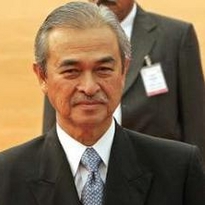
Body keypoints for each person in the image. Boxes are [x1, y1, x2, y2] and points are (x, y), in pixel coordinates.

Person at [0, 2, 205, 205]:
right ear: (42, 76)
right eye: (71, 71)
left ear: (124, 70)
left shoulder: (178, 170)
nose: (89, 87)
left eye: (103, 69)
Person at [42, 0, 205, 162]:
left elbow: (196, 124)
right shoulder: (63, 36)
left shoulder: (175, 37)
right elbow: (56, 115)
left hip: (160, 173)